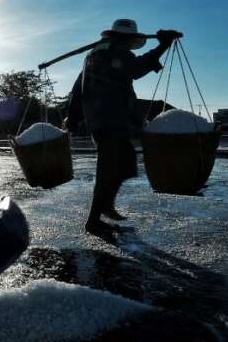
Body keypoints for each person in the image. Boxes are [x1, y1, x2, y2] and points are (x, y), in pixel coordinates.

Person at [65, 19, 180, 234]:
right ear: (126, 39)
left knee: (123, 161)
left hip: (101, 118)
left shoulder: (94, 55)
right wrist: (163, 45)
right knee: (109, 168)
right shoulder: (116, 51)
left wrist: (73, 115)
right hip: (110, 118)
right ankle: (94, 220)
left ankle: (105, 207)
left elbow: (77, 87)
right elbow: (136, 69)